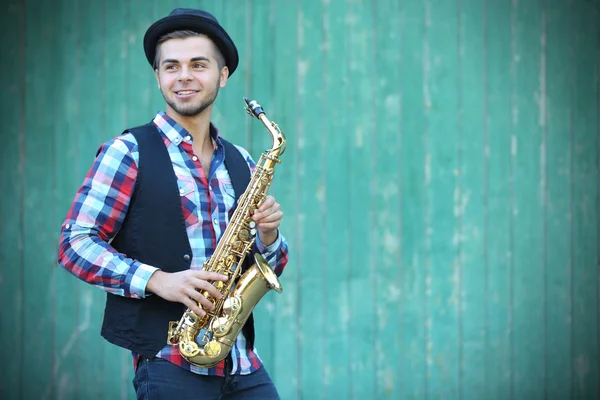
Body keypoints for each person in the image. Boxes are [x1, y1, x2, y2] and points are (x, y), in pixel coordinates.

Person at [57, 8, 289, 399]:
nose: (183, 76)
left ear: (223, 75)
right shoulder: (128, 152)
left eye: (198, 64)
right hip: (170, 363)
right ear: (159, 76)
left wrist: (269, 235)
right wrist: (156, 279)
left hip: (241, 361)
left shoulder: (242, 160)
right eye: (171, 66)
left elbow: (270, 266)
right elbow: (75, 243)